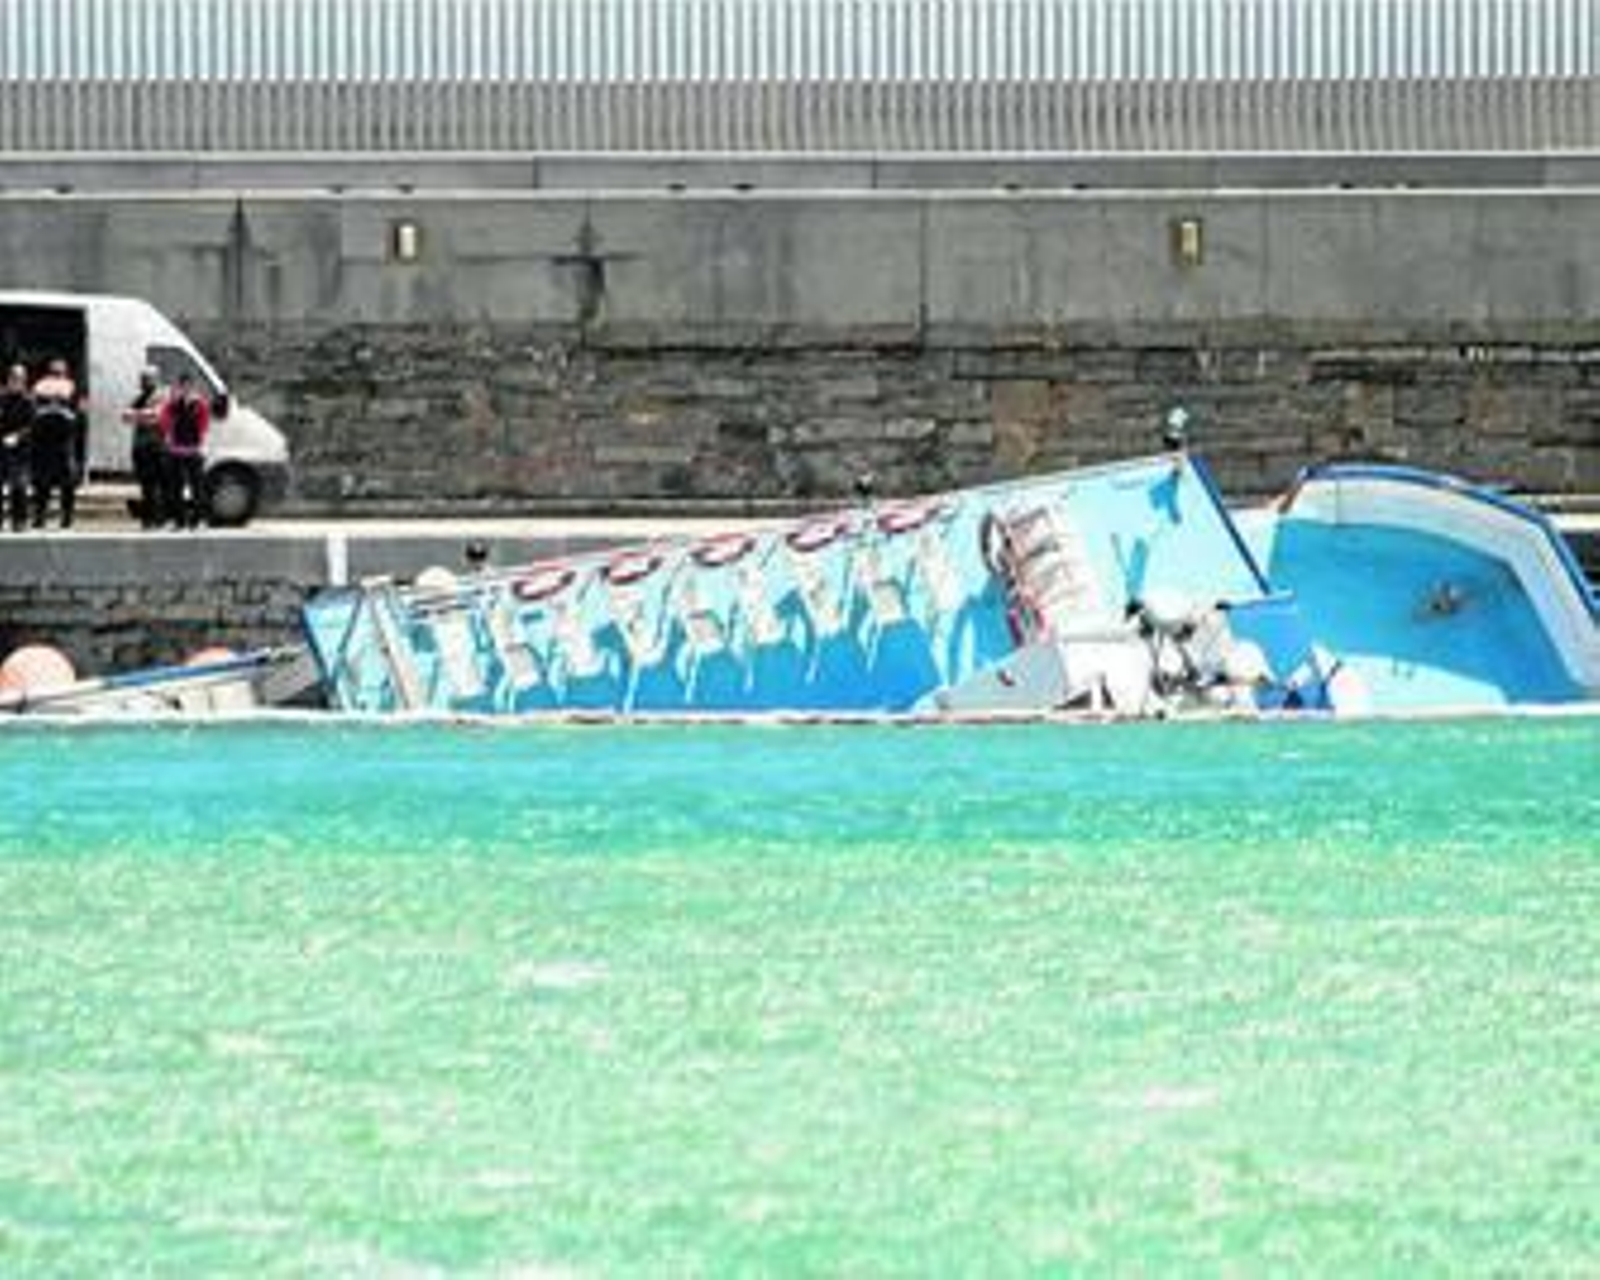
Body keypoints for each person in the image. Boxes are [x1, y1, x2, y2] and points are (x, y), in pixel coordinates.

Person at [29, 359, 85, 530]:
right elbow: (31, 409)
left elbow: (81, 412)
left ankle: (66, 517)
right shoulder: (39, 386)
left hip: (63, 439)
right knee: (42, 482)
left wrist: (70, 417)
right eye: (55, 371)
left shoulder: (72, 386)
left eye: (59, 371)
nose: (57, 374)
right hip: (44, 441)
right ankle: (40, 516)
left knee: (66, 482)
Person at [159, 371, 210, 529]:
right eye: (183, 385)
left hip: (194, 450)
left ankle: (197, 520)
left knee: (197, 487)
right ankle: (178, 520)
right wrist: (167, 434)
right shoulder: (174, 403)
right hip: (176, 450)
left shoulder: (200, 403)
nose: (186, 388)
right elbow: (164, 418)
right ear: (180, 386)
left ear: (193, 386)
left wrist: (201, 439)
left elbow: (204, 423)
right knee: (176, 487)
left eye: (189, 385)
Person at [122, 366, 168, 528]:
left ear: (156, 379)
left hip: (157, 446)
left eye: (148, 378)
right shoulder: (139, 397)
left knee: (159, 485)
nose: (144, 382)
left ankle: (159, 518)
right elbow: (125, 416)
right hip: (141, 447)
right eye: (142, 378)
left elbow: (157, 416)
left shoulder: (162, 395)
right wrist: (144, 415)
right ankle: (148, 519)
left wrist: (138, 415)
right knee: (146, 485)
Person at [0, 364, 34, 531]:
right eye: (13, 378)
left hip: (21, 449)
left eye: (19, 379)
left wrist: (18, 437)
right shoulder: (3, 399)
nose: (16, 382)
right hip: (2, 447)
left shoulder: (29, 401)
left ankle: (19, 520)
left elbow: (33, 426)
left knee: (18, 485)